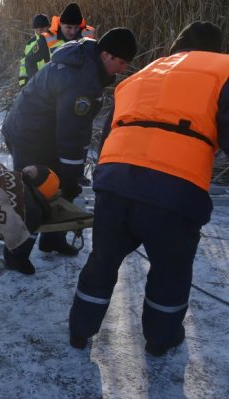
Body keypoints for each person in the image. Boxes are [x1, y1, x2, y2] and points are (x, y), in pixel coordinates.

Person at [68, 21, 229, 356]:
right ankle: (161, 339)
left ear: (177, 46)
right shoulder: (223, 70)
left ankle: (80, 330)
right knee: (170, 270)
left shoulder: (142, 75)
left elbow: (109, 132)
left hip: (114, 179)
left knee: (102, 260)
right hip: (174, 188)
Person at [1, 28, 137, 269]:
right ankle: (15, 254)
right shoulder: (82, 80)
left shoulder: (88, 62)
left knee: (63, 186)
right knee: (32, 195)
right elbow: (72, 134)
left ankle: (53, 239)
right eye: (122, 62)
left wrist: (69, 177)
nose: (124, 69)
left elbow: (71, 131)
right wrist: (71, 174)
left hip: (44, 132)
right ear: (106, 55)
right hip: (28, 135)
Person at [20, 3, 96, 85]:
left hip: (83, 89)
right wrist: (38, 84)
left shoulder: (88, 34)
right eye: (69, 27)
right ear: (61, 24)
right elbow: (29, 60)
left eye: (76, 27)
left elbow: (97, 60)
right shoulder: (46, 39)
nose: (73, 31)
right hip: (55, 92)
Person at [19, 13, 51, 87]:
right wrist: (23, 84)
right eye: (37, 29)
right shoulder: (29, 44)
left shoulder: (55, 39)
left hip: (54, 83)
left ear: (48, 27)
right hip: (36, 84)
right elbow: (23, 65)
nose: (39, 32)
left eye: (42, 29)